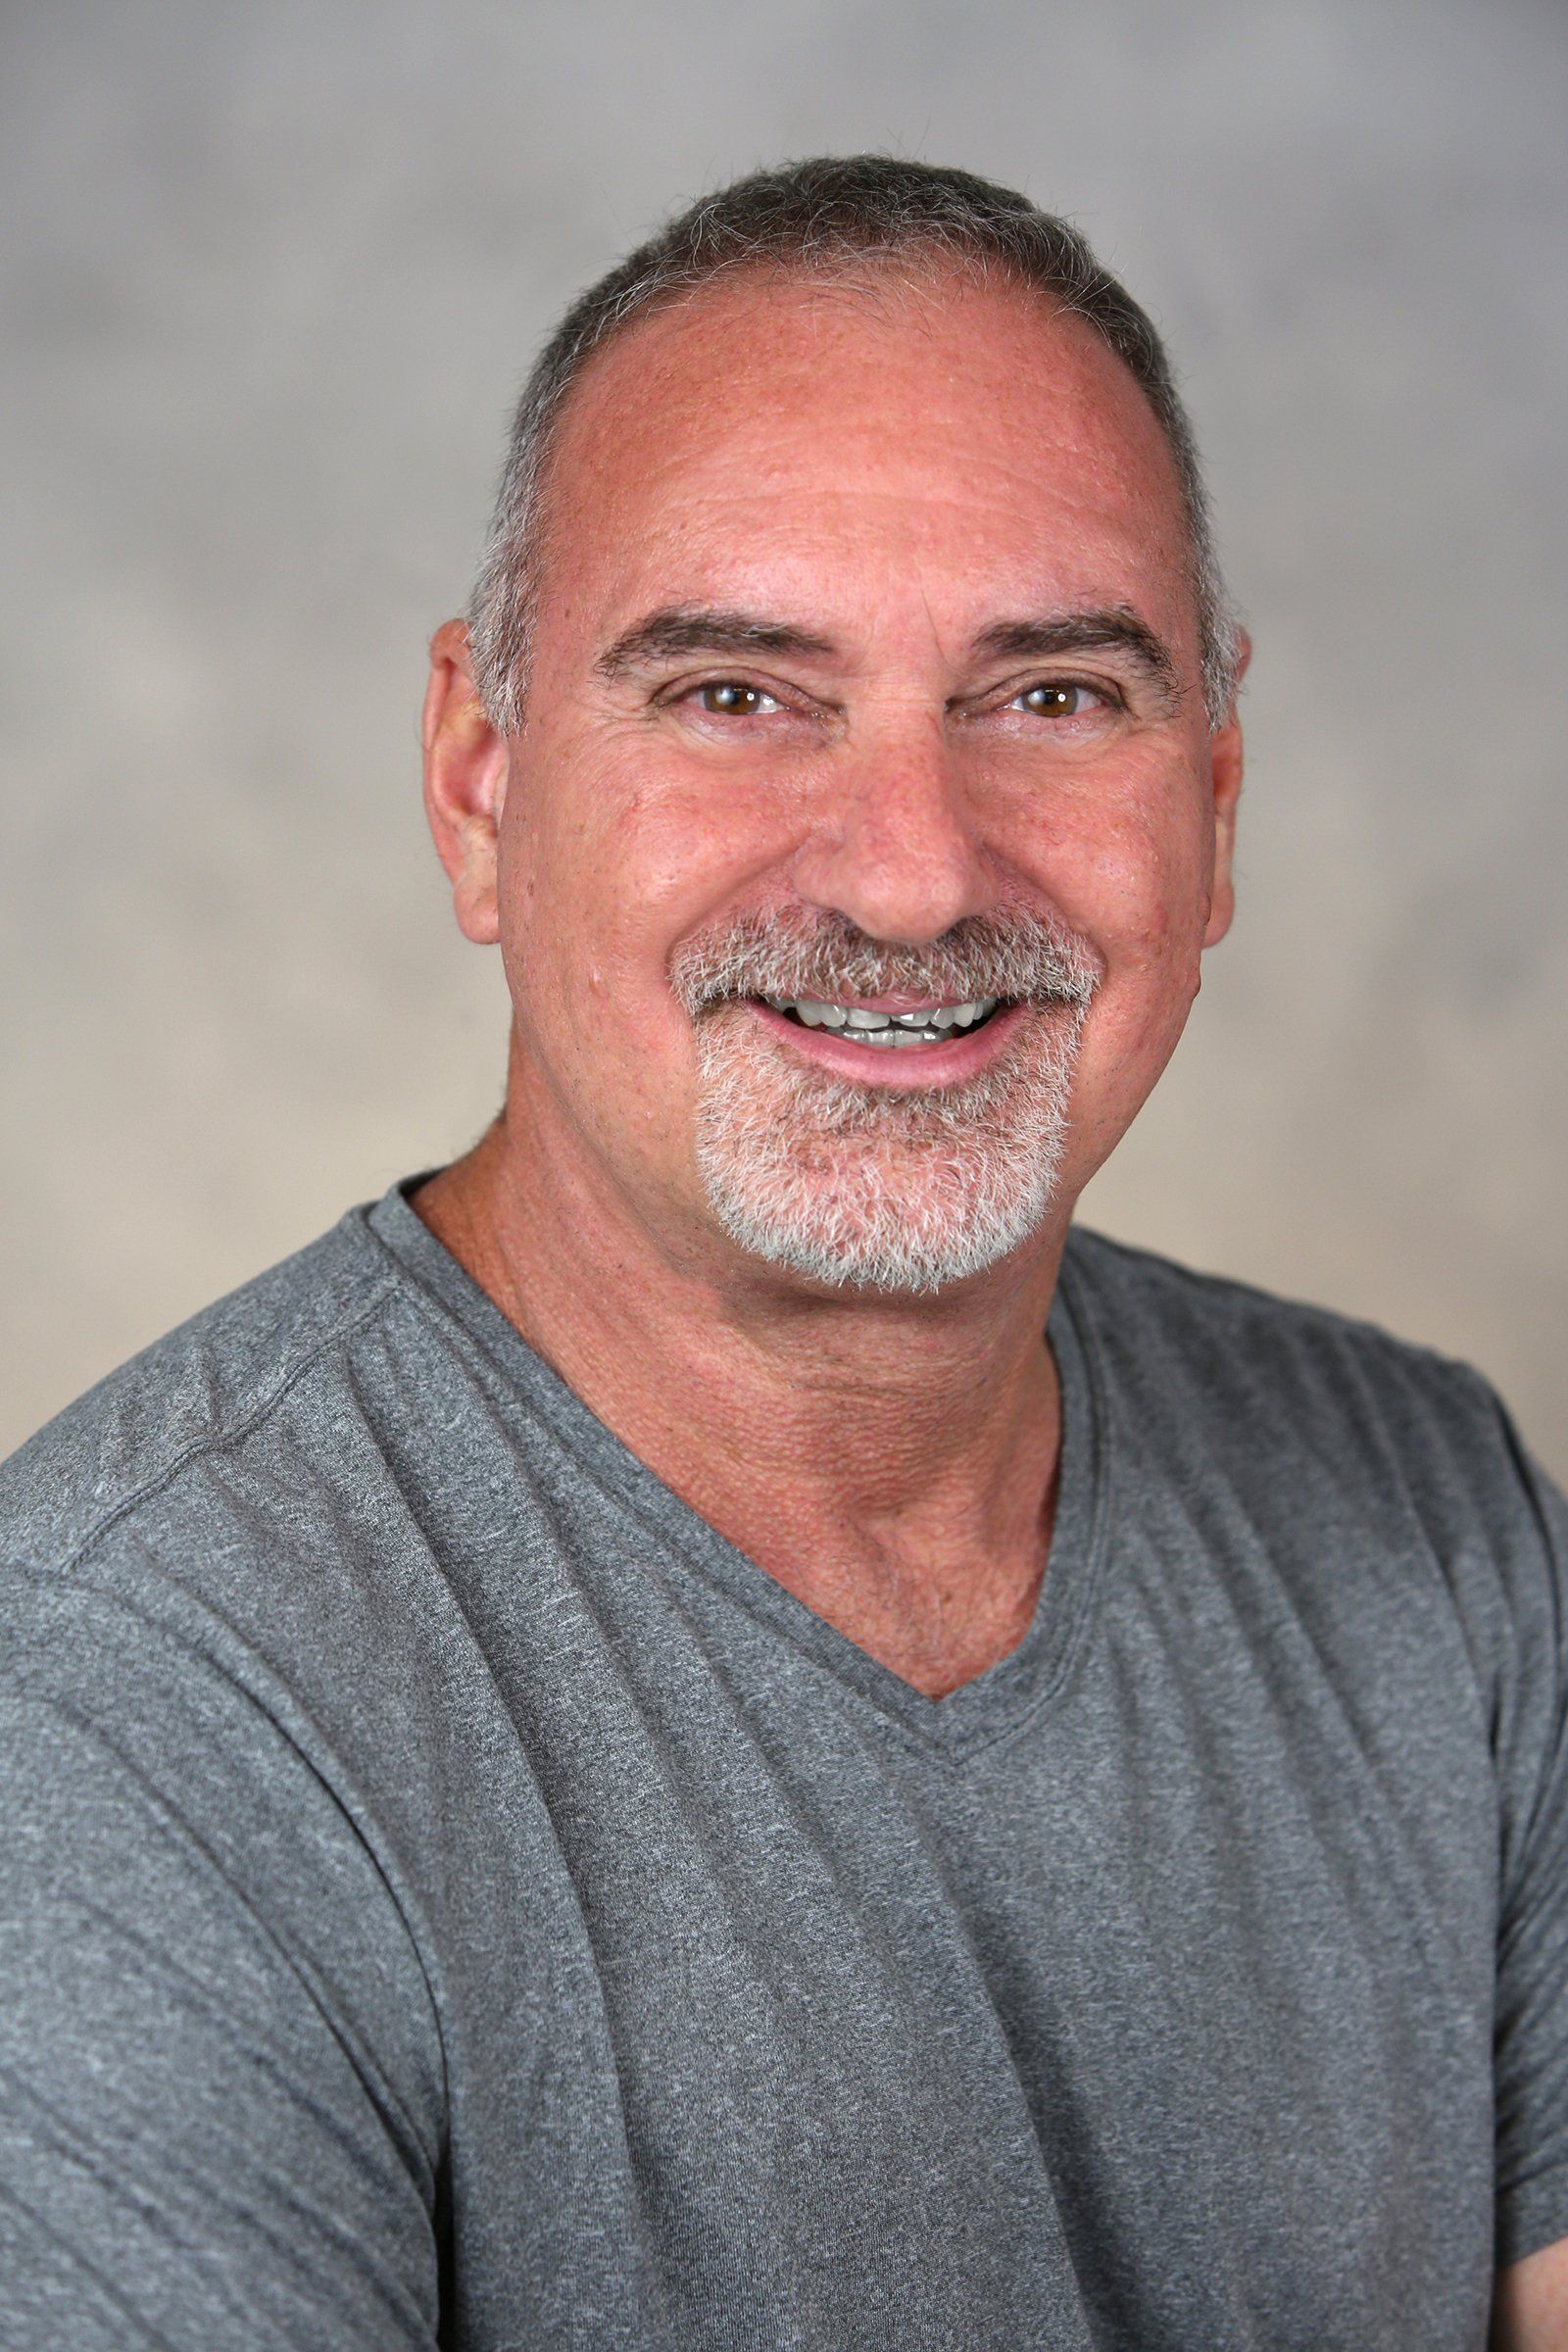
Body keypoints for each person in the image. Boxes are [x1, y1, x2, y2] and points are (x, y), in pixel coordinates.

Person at [0, 156, 1563, 2352]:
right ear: (475, 781)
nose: (913, 876)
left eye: (1049, 697)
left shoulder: (1439, 1523)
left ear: (1211, 806)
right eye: (737, 692)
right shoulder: (114, 1703)